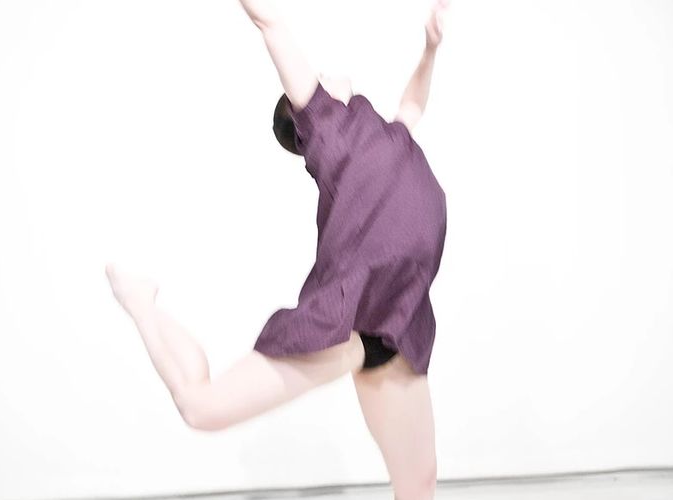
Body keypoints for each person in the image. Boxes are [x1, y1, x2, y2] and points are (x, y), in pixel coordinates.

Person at [105, 1, 449, 497]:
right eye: (313, 83)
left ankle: (145, 305)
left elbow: (413, 104)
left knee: (419, 482)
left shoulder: (387, 135)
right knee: (200, 409)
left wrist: (430, 48)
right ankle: (142, 304)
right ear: (301, 116)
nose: (322, 76)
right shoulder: (325, 127)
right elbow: (270, 22)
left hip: (394, 326)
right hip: (346, 322)